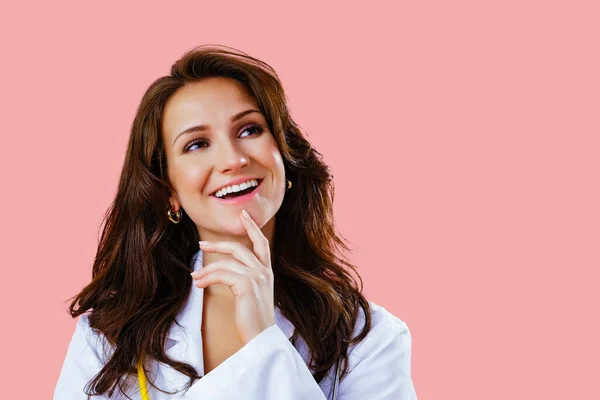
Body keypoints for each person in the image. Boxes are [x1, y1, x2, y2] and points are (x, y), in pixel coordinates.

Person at [54, 45, 417, 400]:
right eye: (196, 144)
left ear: (285, 157)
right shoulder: (108, 337)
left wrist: (264, 341)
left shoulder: (370, 340)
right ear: (169, 192)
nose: (232, 159)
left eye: (249, 130)